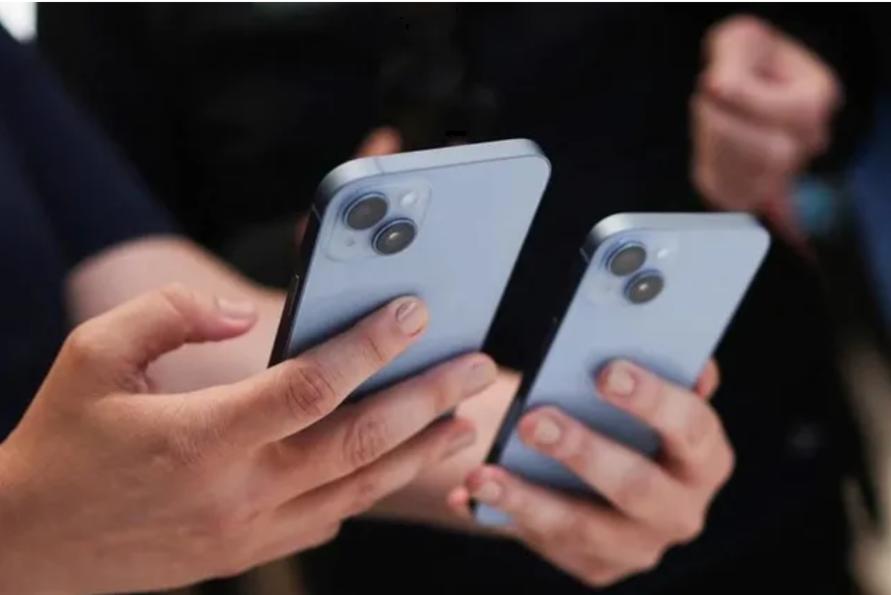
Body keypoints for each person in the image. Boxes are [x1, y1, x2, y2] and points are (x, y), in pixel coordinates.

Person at [35, 5, 876, 593]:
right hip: (401, 532)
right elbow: (113, 260)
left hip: (745, 426)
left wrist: (800, 49)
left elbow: (827, 37)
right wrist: (312, 272)